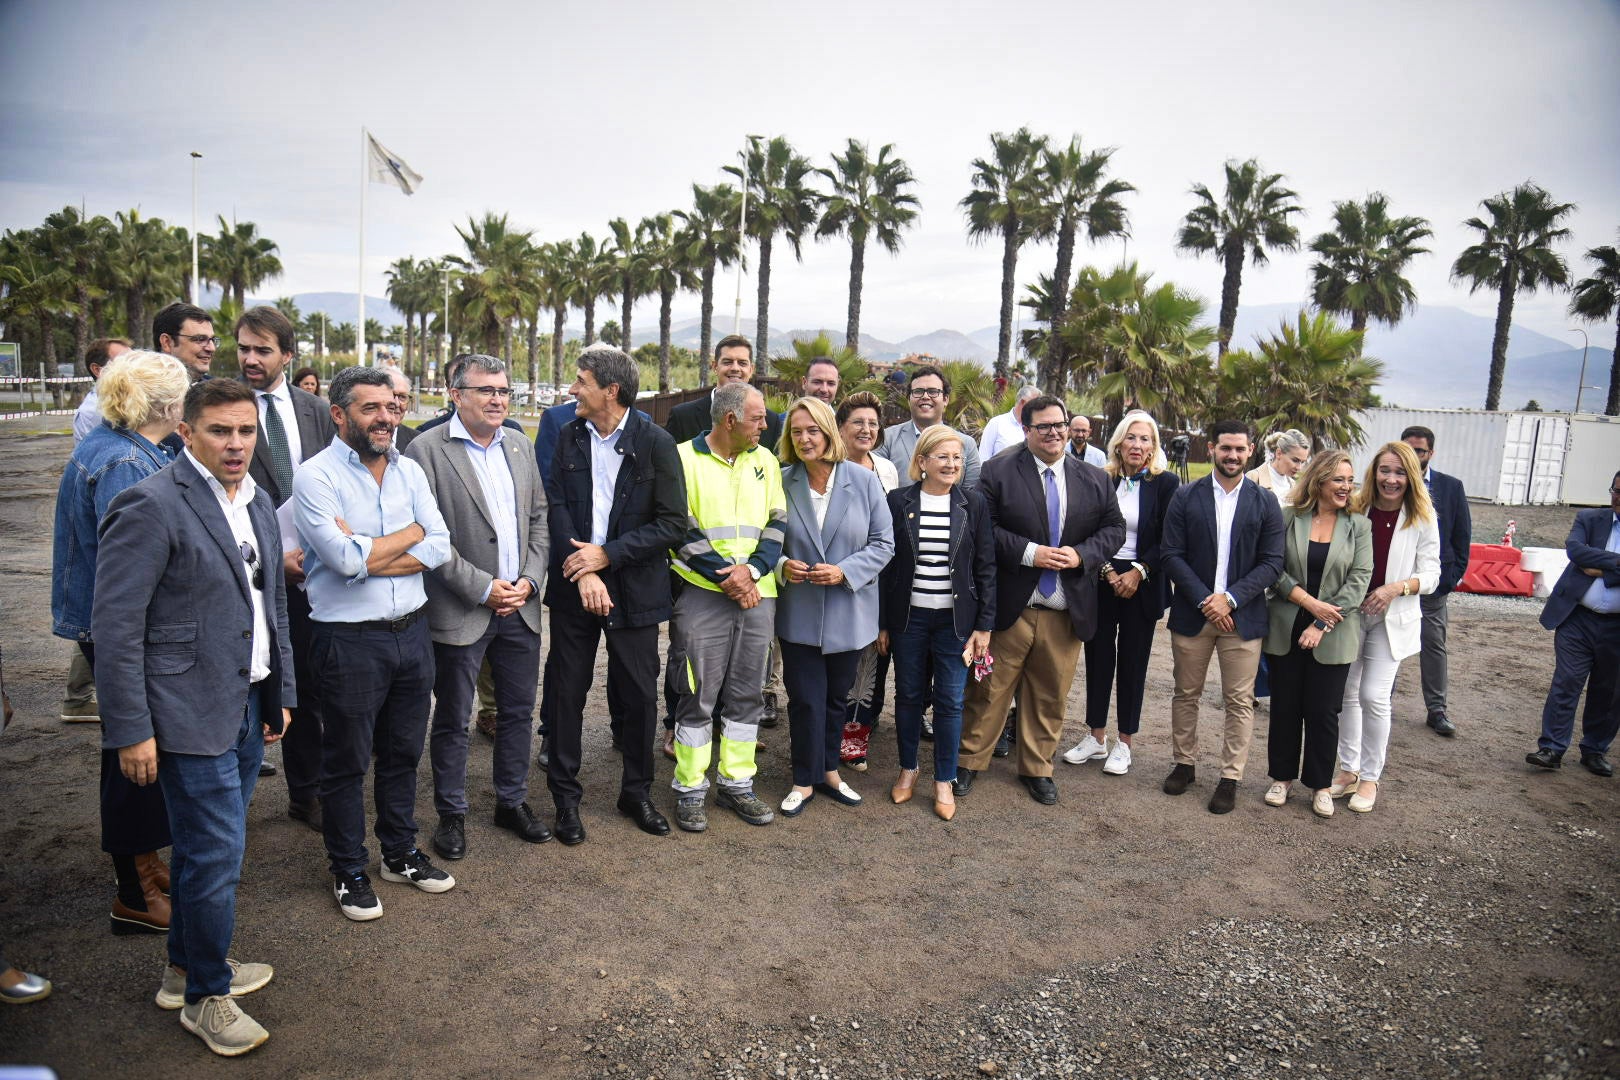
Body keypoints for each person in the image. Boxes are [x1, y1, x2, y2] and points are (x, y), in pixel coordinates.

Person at [93, 377, 292, 1056]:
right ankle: (209, 994)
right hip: (182, 714)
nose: (235, 444)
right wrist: (131, 730)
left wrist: (277, 692)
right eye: (219, 431)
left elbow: (271, 610)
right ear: (187, 430)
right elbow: (115, 627)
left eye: (245, 431)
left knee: (207, 855)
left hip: (242, 703)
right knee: (215, 859)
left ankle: (183, 973)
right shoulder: (148, 504)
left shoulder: (257, 500)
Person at [293, 365, 454, 921]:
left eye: (391, 408)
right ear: (339, 414)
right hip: (347, 642)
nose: (386, 418)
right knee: (345, 761)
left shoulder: (409, 470)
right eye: (371, 409)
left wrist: (372, 551)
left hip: (412, 632)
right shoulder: (315, 477)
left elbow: (440, 544)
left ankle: (400, 852)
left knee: (404, 753)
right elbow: (339, 561)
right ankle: (348, 868)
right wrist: (406, 538)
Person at [50, 350, 188, 936]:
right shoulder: (127, 463)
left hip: (120, 632)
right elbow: (134, 571)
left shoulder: (123, 447)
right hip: (131, 635)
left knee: (135, 758)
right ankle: (133, 890)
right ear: (166, 404)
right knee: (134, 758)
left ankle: (145, 868)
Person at [405, 355, 551, 858]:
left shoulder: (519, 443)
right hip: (463, 606)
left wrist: (530, 581)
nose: (497, 400)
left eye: (504, 391)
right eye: (485, 390)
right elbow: (429, 538)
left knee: (516, 713)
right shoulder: (425, 450)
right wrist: (484, 588)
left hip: (521, 605)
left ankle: (511, 802)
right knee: (453, 716)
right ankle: (452, 813)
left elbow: (538, 518)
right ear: (455, 394)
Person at [543, 344, 686, 840]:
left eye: (580, 381)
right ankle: (565, 799)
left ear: (611, 390)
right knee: (566, 691)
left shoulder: (656, 443)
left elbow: (671, 524)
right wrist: (584, 572)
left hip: (636, 588)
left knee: (640, 694)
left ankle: (636, 794)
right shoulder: (568, 437)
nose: (572, 390)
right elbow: (555, 508)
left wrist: (607, 557)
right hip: (573, 584)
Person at [955, 395, 1125, 804]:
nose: (1054, 432)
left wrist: (1082, 554)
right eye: (1044, 426)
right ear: (1026, 430)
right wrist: (1029, 552)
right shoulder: (997, 472)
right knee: (989, 691)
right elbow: (984, 527)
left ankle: (1037, 768)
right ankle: (967, 763)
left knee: (1050, 694)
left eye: (1060, 424)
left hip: (1064, 608)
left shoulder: (1095, 478)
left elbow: (1115, 528)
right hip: (1012, 606)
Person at [666, 382, 785, 831]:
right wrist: (730, 577)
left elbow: (778, 521)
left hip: (758, 594)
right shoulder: (681, 458)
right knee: (697, 692)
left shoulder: (766, 460)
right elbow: (680, 526)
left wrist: (751, 572)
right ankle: (690, 788)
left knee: (747, 693)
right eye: (758, 417)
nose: (767, 424)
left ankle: (737, 784)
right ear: (730, 419)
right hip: (703, 593)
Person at [236, 305, 339, 815]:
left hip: (317, 572)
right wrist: (274, 561)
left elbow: (333, 481)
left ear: (287, 355)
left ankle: (310, 792)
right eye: (244, 349)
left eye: (262, 350)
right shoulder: (225, 406)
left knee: (311, 685)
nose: (250, 359)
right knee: (259, 682)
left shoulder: (314, 409)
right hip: (250, 574)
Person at [774, 397, 894, 817]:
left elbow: (884, 544)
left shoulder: (863, 481)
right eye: (797, 431)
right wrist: (780, 564)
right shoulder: (780, 479)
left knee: (835, 700)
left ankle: (829, 772)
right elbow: (761, 541)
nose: (805, 439)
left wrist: (844, 571)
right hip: (799, 611)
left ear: (828, 431)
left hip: (850, 611)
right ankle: (803, 779)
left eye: (813, 430)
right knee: (804, 698)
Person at [1160, 420, 1285, 814]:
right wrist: (1205, 600)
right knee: (1186, 694)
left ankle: (1231, 777)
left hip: (1242, 618)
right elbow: (1170, 555)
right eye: (1225, 448)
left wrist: (1230, 598)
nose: (1232, 455)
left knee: (1239, 701)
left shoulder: (1265, 502)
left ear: (1251, 451)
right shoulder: (1185, 496)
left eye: (1240, 449)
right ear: (1212, 448)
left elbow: (1272, 563)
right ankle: (1185, 763)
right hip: (1194, 614)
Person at [878, 424, 994, 820]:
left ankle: (943, 779)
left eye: (957, 458)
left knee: (949, 700)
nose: (951, 464)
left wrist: (984, 626)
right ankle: (908, 769)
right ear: (922, 461)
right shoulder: (898, 501)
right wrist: (882, 623)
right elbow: (886, 565)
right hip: (908, 619)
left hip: (955, 623)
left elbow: (985, 567)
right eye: (943, 457)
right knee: (909, 695)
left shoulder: (972, 504)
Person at [1063, 410, 1180, 776]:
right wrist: (1108, 569)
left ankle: (1124, 742)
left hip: (1142, 586)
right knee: (1098, 659)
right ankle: (1096, 737)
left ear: (1153, 446)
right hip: (1102, 580)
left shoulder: (1167, 484)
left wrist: (1138, 572)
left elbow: (1169, 539)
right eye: (1132, 437)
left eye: (1146, 439)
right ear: (1119, 442)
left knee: (1132, 663)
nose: (1138, 445)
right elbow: (1085, 528)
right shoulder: (1101, 479)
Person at [1262, 450, 1372, 819]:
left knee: (1324, 711)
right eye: (1338, 479)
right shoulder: (1289, 517)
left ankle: (1321, 785)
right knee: (1285, 707)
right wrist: (1310, 604)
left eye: (1350, 480)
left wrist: (1322, 622)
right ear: (1319, 480)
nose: (1346, 487)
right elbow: (1273, 568)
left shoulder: (1358, 525)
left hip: (1335, 631)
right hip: (1286, 625)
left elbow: (1359, 581)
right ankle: (1281, 778)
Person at [1334, 442, 1440, 812]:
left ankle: (1370, 778)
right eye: (1384, 471)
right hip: (1352, 614)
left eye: (1398, 472)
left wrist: (1396, 588)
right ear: (1373, 472)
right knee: (1347, 692)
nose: (1390, 479)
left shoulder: (1422, 517)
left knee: (1373, 696)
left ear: (1411, 476)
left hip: (1393, 618)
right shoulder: (1357, 506)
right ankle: (1347, 771)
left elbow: (1432, 574)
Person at [1526, 474, 1620, 777]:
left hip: (1617, 628)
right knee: (1566, 682)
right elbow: (1576, 552)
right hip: (1576, 619)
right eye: (1616, 490)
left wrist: (1603, 568)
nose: (1618, 497)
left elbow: (1589, 562)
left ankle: (1594, 750)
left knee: (1609, 690)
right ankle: (1552, 747)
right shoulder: (1589, 518)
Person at [835, 391, 901, 769]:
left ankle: (854, 740)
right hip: (836, 576)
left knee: (870, 665)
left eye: (873, 423)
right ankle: (826, 735)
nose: (866, 429)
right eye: (857, 422)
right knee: (836, 667)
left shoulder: (887, 469)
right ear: (841, 427)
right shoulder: (828, 466)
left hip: (880, 579)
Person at [1402, 425, 1471, 737]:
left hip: (1433, 587)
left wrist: (1449, 580)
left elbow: (1461, 539)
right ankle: (1378, 703)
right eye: (1409, 448)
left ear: (1431, 453)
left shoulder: (1450, 487)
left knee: (1433, 645)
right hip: (1393, 584)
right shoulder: (1387, 481)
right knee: (1382, 644)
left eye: (1420, 450)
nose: (1414, 456)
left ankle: (1437, 710)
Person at [665, 334, 783, 451]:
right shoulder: (683, 417)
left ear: (751, 369)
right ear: (715, 366)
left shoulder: (771, 422)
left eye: (742, 363)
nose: (735, 368)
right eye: (727, 362)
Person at [874, 364, 981, 490]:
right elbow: (877, 487)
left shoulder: (966, 444)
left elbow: (971, 495)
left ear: (945, 399)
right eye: (918, 391)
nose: (925, 396)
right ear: (909, 399)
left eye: (933, 392)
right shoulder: (886, 439)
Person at [73, 337, 132, 444]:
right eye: (124, 362)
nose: (135, 367)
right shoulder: (91, 413)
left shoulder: (135, 397)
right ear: (97, 370)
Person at [154, 302, 217, 384]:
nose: (212, 348)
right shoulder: (138, 391)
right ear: (167, 342)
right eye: (200, 339)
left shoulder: (221, 393)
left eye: (212, 339)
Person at [978, 384, 1040, 459]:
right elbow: (983, 456)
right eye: (1035, 404)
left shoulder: (1036, 427)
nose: (1038, 408)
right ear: (1023, 402)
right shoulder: (997, 423)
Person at [1248, 429, 1311, 501]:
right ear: (1279, 453)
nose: (1299, 467)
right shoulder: (1253, 478)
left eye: (1302, 462)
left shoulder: (1293, 486)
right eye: (1295, 460)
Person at [385, 367, 419, 450]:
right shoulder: (356, 439)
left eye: (402, 397)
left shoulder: (419, 442)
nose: (397, 403)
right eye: (391, 395)